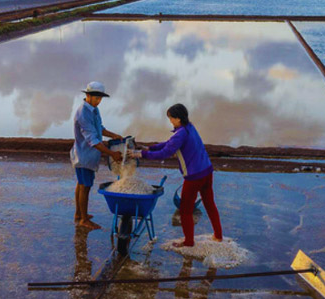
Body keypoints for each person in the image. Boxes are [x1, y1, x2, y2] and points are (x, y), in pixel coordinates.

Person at [129, 103, 222, 247]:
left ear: (178, 118)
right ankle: (218, 236)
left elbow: (165, 153)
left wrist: (140, 154)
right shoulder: (189, 127)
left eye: (171, 118)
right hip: (207, 171)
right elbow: (169, 143)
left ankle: (189, 242)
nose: (170, 121)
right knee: (210, 204)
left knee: (185, 210)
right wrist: (150, 148)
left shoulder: (180, 134)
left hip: (194, 176)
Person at [71, 81, 123, 231]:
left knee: (81, 183)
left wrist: (113, 135)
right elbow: (92, 140)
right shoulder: (83, 113)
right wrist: (112, 153)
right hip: (84, 155)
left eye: (100, 98)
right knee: (85, 187)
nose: (98, 101)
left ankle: (78, 214)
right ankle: (84, 219)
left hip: (85, 154)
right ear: (87, 95)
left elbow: (99, 128)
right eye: (95, 97)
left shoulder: (94, 109)